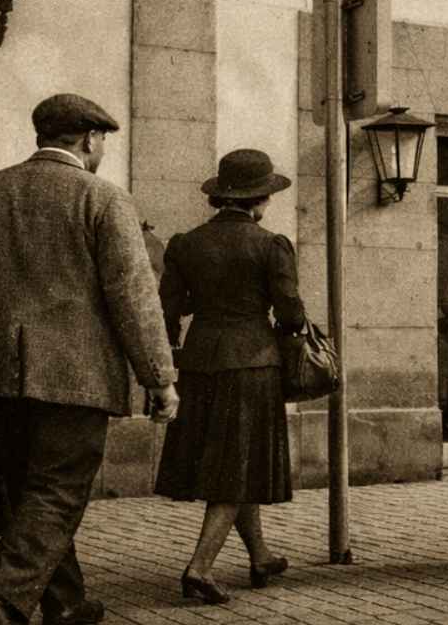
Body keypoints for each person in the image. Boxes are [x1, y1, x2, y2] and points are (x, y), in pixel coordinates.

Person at [0, 94, 179, 625]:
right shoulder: (104, 198)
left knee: (29, 490)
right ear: (90, 139)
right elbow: (133, 296)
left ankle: (66, 604)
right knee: (58, 491)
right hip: (75, 375)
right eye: (102, 141)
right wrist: (159, 378)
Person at [153, 148, 305, 604]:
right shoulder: (271, 245)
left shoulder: (185, 244)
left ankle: (260, 556)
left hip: (200, 364)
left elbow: (167, 311)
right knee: (236, 468)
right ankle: (199, 569)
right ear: (259, 198)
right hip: (253, 365)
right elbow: (291, 313)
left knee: (233, 462)